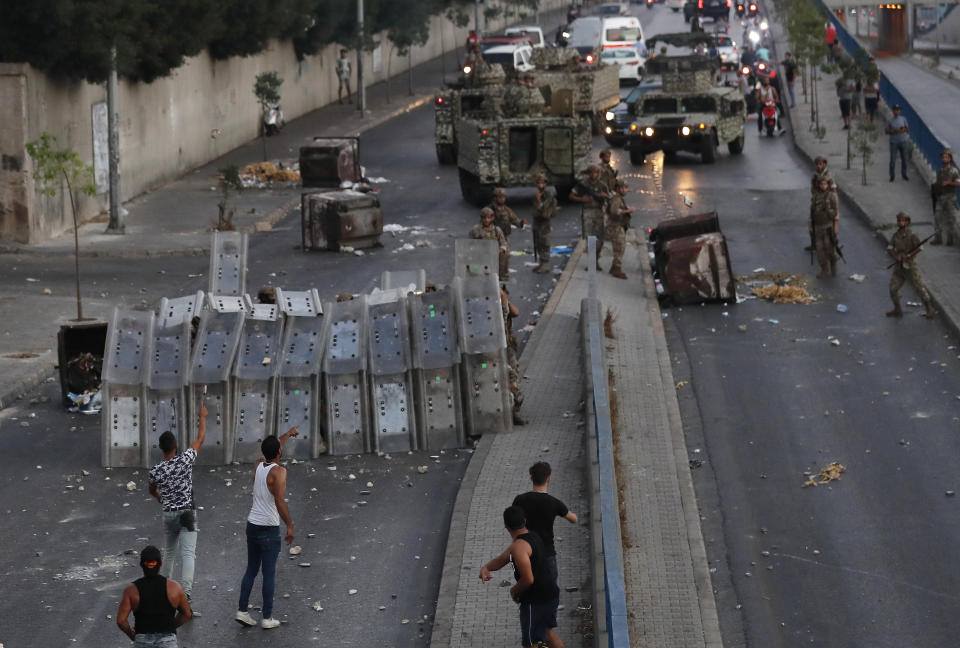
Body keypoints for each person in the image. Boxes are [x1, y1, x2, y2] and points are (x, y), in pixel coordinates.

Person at [235, 427, 299, 630]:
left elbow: (272, 447)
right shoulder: (279, 472)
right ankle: (267, 617)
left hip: (252, 524)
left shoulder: (258, 465)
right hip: (269, 528)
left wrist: (287, 435)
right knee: (269, 573)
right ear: (279, 452)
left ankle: (242, 611)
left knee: (251, 569)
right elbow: (279, 501)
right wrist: (289, 525)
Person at [148, 404, 207, 610]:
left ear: (161, 448)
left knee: (170, 552)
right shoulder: (184, 460)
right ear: (176, 446)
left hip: (169, 514)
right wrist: (203, 417)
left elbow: (151, 489)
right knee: (188, 554)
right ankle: (187, 595)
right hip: (187, 513)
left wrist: (158, 496)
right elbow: (200, 439)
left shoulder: (156, 470)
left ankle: (164, 592)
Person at [480, 506, 563, 648]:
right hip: (551, 593)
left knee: (532, 642)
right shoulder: (533, 536)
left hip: (536, 600)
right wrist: (486, 568)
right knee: (547, 633)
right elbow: (502, 559)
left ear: (506, 526)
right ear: (524, 522)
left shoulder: (518, 547)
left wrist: (514, 591)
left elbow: (528, 579)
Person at [512, 462, 578, 585]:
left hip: (525, 554)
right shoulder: (553, 503)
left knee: (526, 592)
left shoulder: (519, 500)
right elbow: (573, 519)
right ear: (548, 479)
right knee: (549, 595)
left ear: (531, 478)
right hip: (546, 554)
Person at [117, 545, 192, 647]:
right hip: (167, 641)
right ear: (160, 564)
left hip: (142, 640)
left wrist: (132, 635)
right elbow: (187, 614)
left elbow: (121, 621)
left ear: (141, 565)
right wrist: (170, 626)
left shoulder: (131, 590)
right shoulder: (175, 588)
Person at [886, 212, 934, 318]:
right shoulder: (896, 235)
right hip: (899, 268)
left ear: (907, 222)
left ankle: (929, 308)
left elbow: (919, 248)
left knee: (919, 287)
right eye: (898, 220)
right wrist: (896, 256)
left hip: (910, 266)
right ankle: (897, 309)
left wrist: (908, 255)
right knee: (893, 288)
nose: (899, 222)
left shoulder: (912, 235)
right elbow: (889, 249)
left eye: (902, 220)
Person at [569, 165, 609, 255]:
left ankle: (596, 259)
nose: (594, 174)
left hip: (599, 212)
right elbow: (571, 196)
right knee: (590, 238)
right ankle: (592, 265)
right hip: (588, 212)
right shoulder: (583, 185)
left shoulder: (602, 185)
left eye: (596, 172)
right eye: (591, 172)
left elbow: (610, 198)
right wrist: (582, 199)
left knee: (600, 239)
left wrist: (605, 196)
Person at [500, 285, 526, 426]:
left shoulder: (504, 306)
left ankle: (513, 409)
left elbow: (516, 312)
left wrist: (505, 298)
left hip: (507, 348)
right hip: (499, 350)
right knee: (509, 377)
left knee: (513, 376)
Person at [600, 180, 632, 279]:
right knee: (620, 247)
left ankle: (614, 267)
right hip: (615, 226)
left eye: (626, 188)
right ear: (618, 188)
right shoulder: (616, 198)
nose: (624, 190)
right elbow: (614, 211)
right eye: (622, 188)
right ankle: (616, 269)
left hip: (617, 225)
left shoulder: (617, 197)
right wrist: (627, 211)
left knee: (620, 246)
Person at [470, 206, 510, 280]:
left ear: (492, 218)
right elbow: (469, 244)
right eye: (484, 218)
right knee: (474, 269)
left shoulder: (496, 230)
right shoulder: (475, 230)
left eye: (488, 217)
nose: (486, 220)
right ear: (481, 218)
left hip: (494, 257)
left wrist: (499, 251)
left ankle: (502, 284)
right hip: (480, 257)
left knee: (500, 273)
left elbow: (503, 244)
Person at [810, 178, 839, 278]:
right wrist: (811, 226)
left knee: (829, 248)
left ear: (828, 185)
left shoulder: (832, 196)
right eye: (821, 184)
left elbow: (836, 213)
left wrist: (835, 226)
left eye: (825, 184)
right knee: (819, 250)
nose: (823, 186)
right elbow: (812, 212)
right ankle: (824, 269)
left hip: (828, 227)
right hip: (818, 227)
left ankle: (833, 264)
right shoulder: (816, 196)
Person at [932, 148, 960, 246]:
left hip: (950, 197)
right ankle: (938, 237)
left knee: (950, 218)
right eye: (943, 157)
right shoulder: (940, 170)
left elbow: (958, 183)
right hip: (940, 197)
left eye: (946, 157)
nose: (944, 159)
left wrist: (949, 182)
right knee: (937, 217)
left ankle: (950, 239)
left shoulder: (954, 170)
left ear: (950, 159)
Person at [532, 173, 557, 274]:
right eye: (539, 183)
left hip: (544, 221)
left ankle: (545, 263)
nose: (540, 185)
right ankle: (541, 263)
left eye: (542, 183)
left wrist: (539, 201)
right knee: (538, 241)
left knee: (544, 241)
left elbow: (544, 208)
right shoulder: (537, 194)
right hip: (537, 220)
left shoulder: (548, 195)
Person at [885, 104, 910, 181]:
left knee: (904, 159)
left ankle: (904, 174)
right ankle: (892, 176)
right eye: (895, 110)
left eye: (898, 110)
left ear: (900, 111)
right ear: (893, 111)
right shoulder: (890, 120)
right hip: (894, 142)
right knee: (892, 160)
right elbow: (886, 131)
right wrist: (894, 131)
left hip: (903, 141)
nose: (897, 111)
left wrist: (902, 130)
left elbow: (907, 128)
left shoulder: (903, 119)